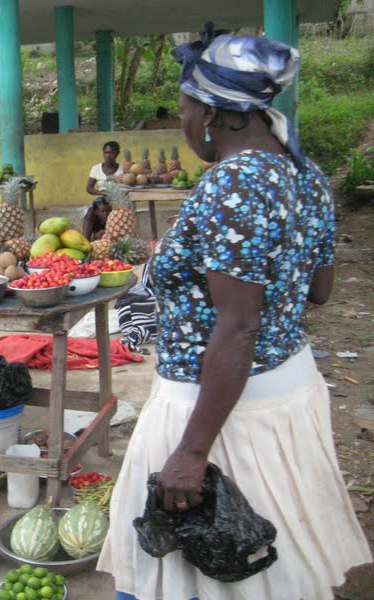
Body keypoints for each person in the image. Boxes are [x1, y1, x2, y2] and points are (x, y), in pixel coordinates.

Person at [98, 25, 371, 600]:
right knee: (273, 568)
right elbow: (316, 291)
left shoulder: (234, 185)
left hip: (218, 409)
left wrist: (192, 453)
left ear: (214, 112)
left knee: (202, 576)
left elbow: (239, 324)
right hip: (286, 389)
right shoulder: (305, 174)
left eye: (184, 107)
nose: (183, 121)